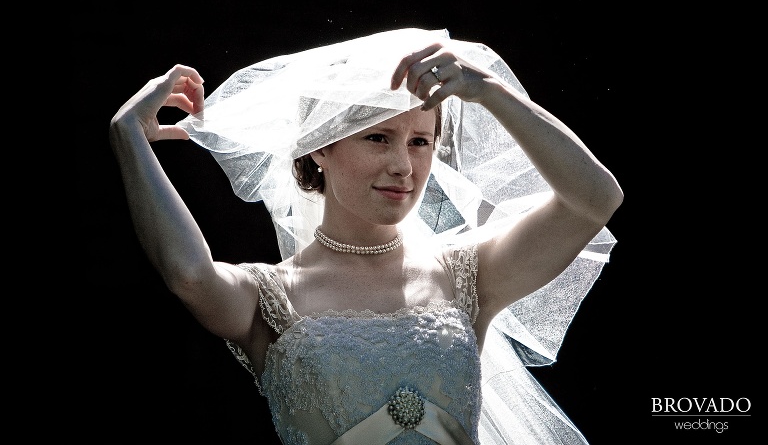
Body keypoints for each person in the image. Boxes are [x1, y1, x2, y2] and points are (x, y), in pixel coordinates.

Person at [110, 28, 623, 444]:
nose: (404, 165)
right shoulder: (269, 297)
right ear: (318, 148)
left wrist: (489, 90)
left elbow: (594, 200)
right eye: (378, 138)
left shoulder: (468, 274)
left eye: (421, 141)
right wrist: (127, 133)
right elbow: (188, 274)